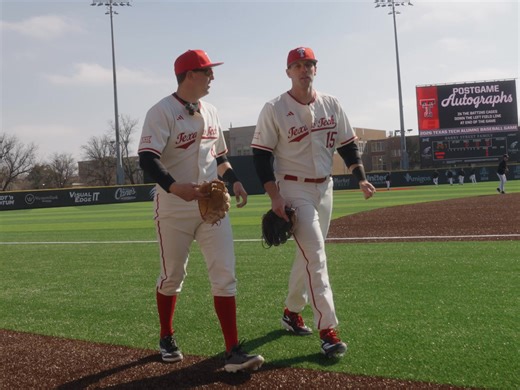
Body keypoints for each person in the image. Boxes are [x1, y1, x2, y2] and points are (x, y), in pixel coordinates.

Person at [137, 49, 264, 373]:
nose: (212, 77)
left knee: (225, 274)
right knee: (172, 276)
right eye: (207, 71)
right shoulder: (161, 111)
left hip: (210, 205)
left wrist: (234, 181)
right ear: (189, 75)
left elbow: (220, 159)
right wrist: (172, 186)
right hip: (173, 208)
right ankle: (166, 335)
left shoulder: (212, 111)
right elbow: (147, 158)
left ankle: (233, 350)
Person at [251, 47, 376, 359]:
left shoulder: (331, 104)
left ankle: (292, 312)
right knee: (317, 257)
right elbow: (261, 155)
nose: (304, 69)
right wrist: (275, 196)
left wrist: (360, 176)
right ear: (288, 71)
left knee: (307, 256)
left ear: (316, 69)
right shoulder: (275, 108)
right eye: (298, 65)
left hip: (325, 188)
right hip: (293, 189)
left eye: (309, 64)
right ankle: (328, 332)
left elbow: (348, 145)